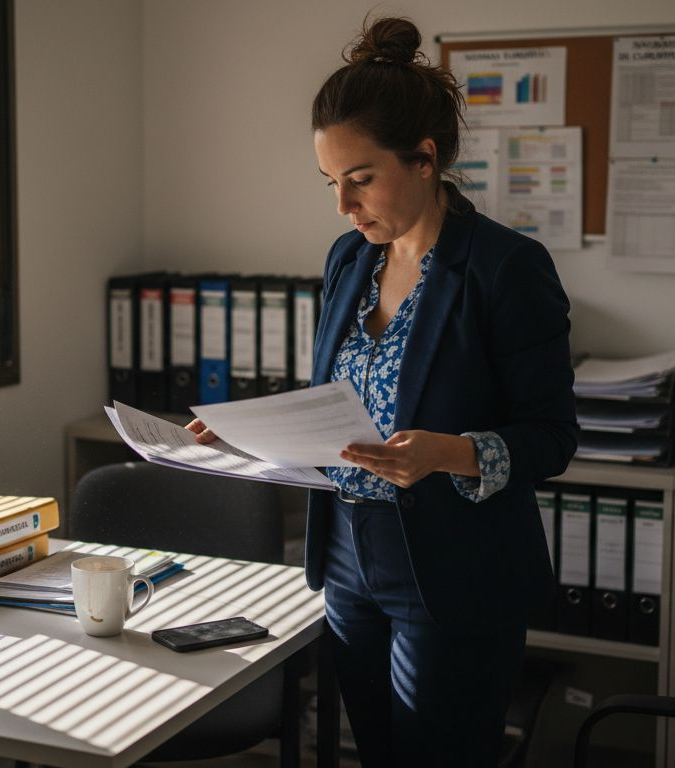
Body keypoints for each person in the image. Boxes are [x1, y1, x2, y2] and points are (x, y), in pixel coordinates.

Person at [188, 16, 576, 766]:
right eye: (331, 182)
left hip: (455, 574)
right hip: (348, 561)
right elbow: (330, 406)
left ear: (425, 158)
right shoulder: (348, 259)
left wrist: (455, 453)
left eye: (360, 179)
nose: (343, 204)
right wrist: (254, 434)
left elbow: (552, 437)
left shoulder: (504, 269)